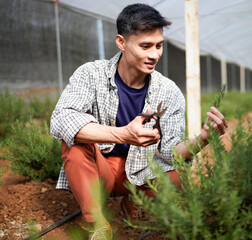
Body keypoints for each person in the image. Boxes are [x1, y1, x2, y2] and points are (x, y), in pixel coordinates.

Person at [50, 3, 228, 239]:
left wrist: (204, 138)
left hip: (142, 173)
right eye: (145, 46)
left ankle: (133, 205)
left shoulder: (169, 92)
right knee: (73, 143)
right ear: (121, 42)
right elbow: (61, 119)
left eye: (159, 46)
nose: (154, 54)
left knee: (180, 173)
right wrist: (123, 134)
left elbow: (172, 152)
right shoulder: (91, 74)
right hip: (100, 171)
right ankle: (97, 223)